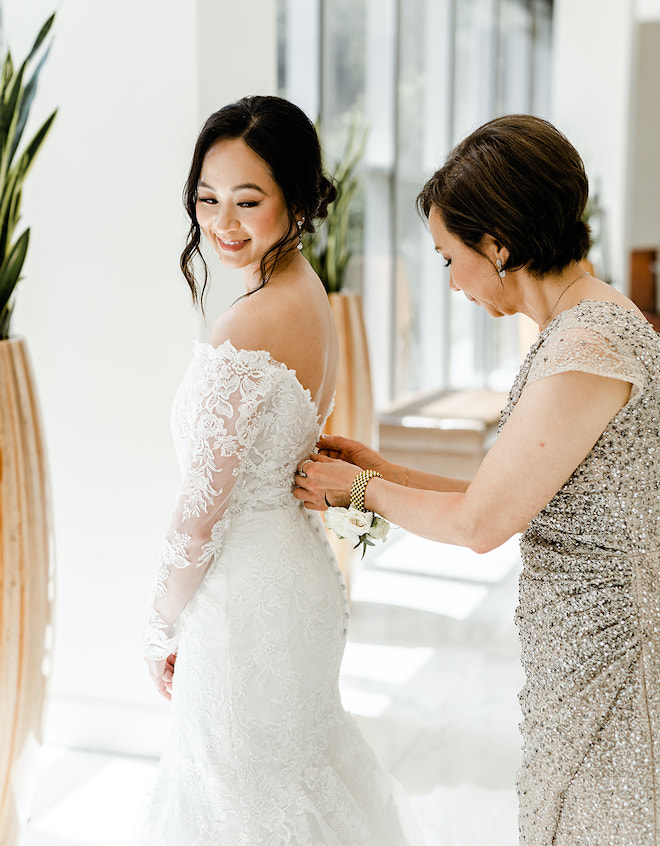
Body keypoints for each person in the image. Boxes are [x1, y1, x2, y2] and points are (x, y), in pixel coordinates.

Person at [295, 114, 660, 845]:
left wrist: (356, 493)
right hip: (578, 662)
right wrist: (382, 467)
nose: (453, 282)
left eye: (447, 257)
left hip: (610, 672)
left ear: (498, 245)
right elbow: (508, 488)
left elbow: (481, 525)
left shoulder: (588, 343)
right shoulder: (579, 326)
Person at [137, 95, 419, 846]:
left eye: (247, 201)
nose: (223, 223)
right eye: (207, 199)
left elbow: (201, 509)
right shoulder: (307, 294)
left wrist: (159, 625)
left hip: (242, 604)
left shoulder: (252, 321)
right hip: (293, 578)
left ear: (296, 200)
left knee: (240, 806)